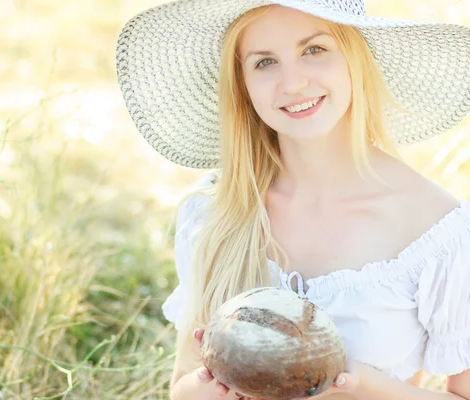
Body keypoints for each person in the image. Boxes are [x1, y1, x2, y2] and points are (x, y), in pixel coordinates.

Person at [116, 1, 470, 399]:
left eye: (313, 50)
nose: (293, 83)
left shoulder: (437, 231)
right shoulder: (215, 212)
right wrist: (199, 391)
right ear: (243, 85)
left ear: (354, 57)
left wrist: (360, 383)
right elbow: (183, 379)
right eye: (264, 62)